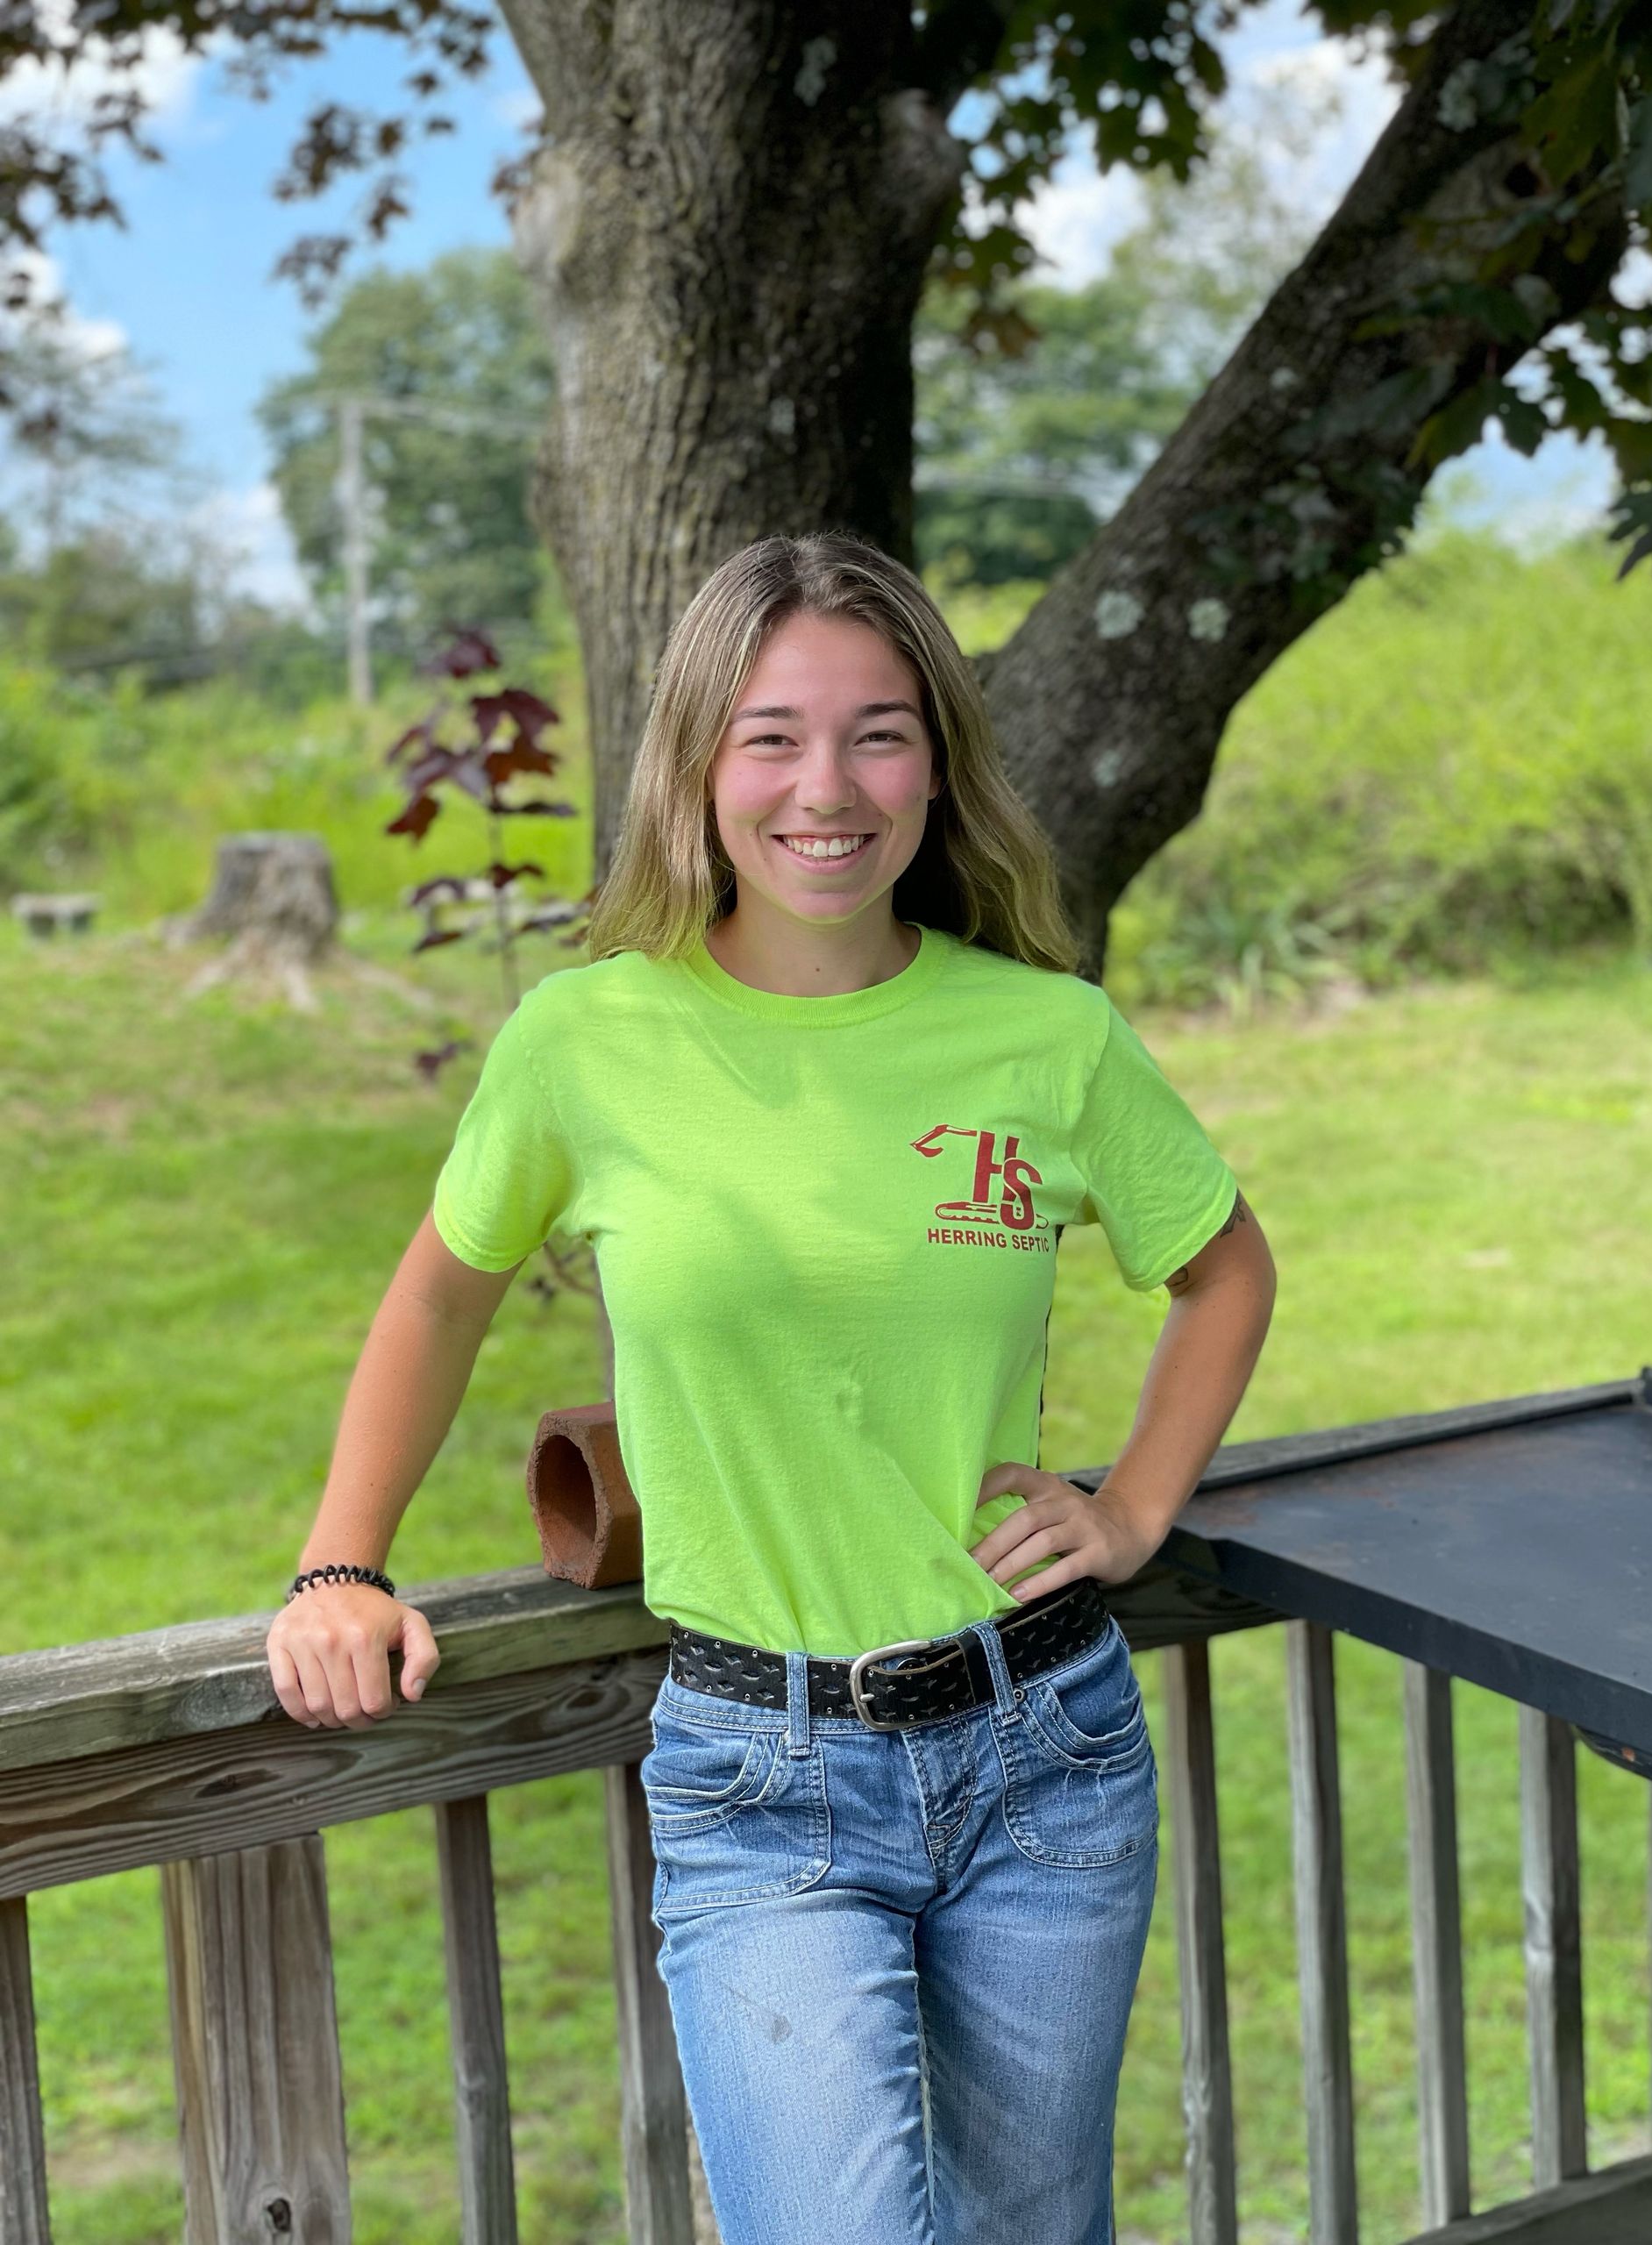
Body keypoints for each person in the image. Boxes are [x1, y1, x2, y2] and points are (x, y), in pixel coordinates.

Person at [266, 531, 1277, 2244]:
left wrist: (1133, 1505)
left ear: (938, 762)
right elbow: (441, 1289)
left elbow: (1224, 1266)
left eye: (881, 730)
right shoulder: (587, 1040)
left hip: (1048, 1750)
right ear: (697, 764)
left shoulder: (1048, 1036)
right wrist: (342, 1560)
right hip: (762, 1767)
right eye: (773, 734)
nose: (831, 784)